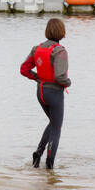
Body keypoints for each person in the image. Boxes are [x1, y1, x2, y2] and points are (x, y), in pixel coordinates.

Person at [20, 18, 70, 170]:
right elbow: (60, 77)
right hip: (54, 93)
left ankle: (38, 153)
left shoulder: (37, 48)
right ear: (61, 32)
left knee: (53, 123)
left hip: (40, 92)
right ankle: (49, 164)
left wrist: (38, 78)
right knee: (56, 127)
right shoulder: (60, 51)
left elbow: (24, 69)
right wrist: (68, 83)